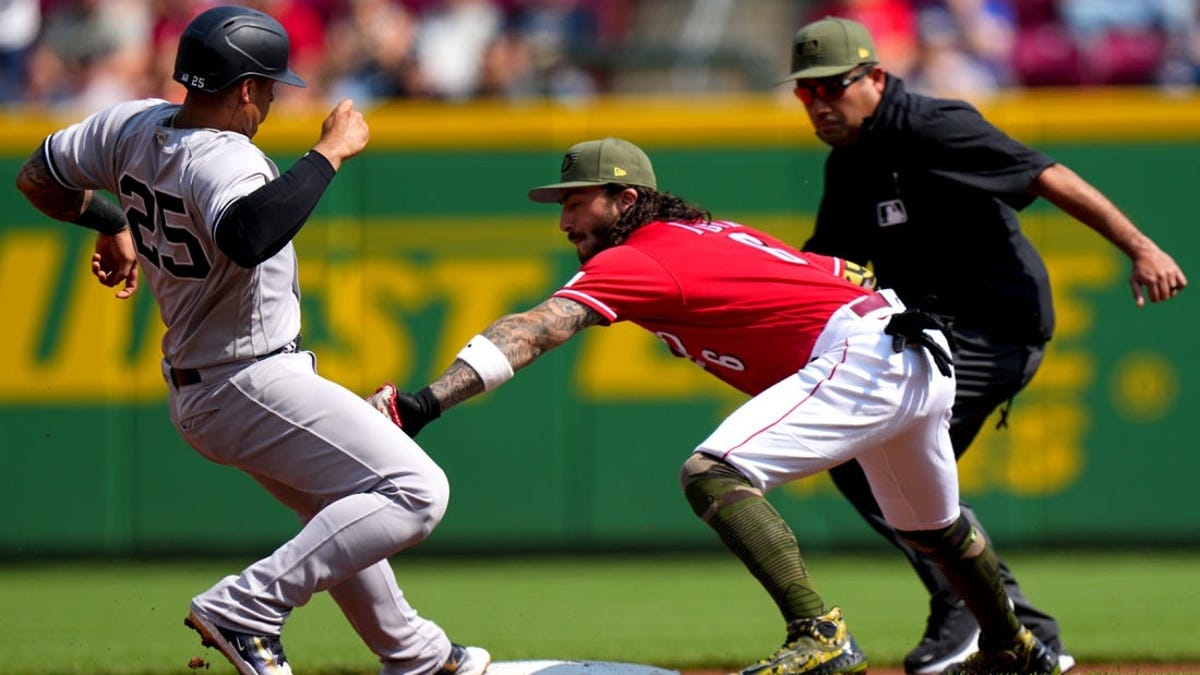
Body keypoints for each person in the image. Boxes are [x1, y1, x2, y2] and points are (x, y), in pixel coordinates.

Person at [368, 136, 1063, 675]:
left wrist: (425, 402)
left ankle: (818, 631)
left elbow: (536, 329)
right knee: (934, 529)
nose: (566, 220)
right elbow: (833, 278)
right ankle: (1015, 647)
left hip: (868, 352)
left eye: (577, 202)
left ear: (625, 197)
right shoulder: (706, 236)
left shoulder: (639, 256)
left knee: (712, 471)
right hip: (908, 351)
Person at [13, 6, 489, 675]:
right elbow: (248, 234)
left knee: (342, 509)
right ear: (244, 89)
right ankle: (248, 606)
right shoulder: (227, 158)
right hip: (250, 379)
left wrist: (107, 218)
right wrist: (329, 153)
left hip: (211, 382)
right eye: (269, 87)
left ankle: (417, 655)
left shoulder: (127, 124)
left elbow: (36, 177)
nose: (270, 100)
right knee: (417, 491)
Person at [780, 15, 1188, 675]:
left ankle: (964, 609)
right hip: (933, 334)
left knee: (881, 458)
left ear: (876, 77)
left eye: (832, 86)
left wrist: (1140, 247)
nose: (819, 102)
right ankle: (1025, 631)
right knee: (881, 469)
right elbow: (827, 265)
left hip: (997, 327)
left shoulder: (933, 126)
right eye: (806, 92)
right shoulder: (850, 162)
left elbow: (1047, 175)